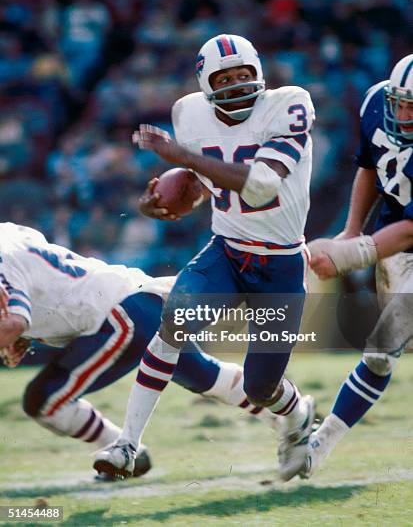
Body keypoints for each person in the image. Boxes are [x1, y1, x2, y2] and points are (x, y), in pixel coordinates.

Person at [96, 34, 316, 481]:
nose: (237, 84)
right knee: (172, 325)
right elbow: (202, 184)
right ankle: (126, 444)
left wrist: (180, 154)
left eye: (244, 75)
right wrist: (157, 202)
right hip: (228, 251)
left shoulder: (289, 103)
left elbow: (260, 185)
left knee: (261, 386)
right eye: (225, 77)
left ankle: (297, 415)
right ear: (205, 82)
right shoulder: (188, 111)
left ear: (260, 74)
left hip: (280, 265)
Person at [0, 221, 280, 480]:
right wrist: (25, 333)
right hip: (129, 297)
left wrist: (18, 329)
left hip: (117, 315)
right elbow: (35, 289)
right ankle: (294, 416)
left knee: (45, 399)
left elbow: (16, 318)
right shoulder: (9, 234)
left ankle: (122, 452)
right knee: (206, 376)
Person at [297, 54, 413, 478]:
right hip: (394, 240)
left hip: (403, 237)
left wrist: (354, 253)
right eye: (400, 101)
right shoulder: (374, 103)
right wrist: (351, 230)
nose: (402, 113)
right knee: (382, 356)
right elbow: (369, 168)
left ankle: (318, 445)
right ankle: (317, 447)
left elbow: (408, 232)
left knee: (383, 346)